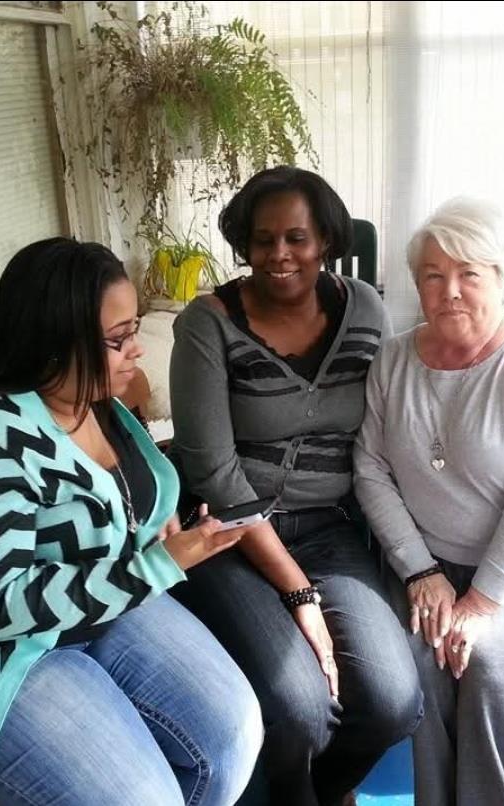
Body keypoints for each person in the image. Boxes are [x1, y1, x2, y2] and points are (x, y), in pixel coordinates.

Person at [0, 238, 262, 806]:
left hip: (100, 612)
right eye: (117, 339)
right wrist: (157, 566)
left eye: (133, 328)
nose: (135, 350)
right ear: (52, 340)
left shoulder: (91, 399)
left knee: (234, 734)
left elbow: (114, 495)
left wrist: (160, 519)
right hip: (1, 661)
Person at [167, 166, 423, 806]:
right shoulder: (208, 324)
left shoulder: (364, 307)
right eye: (262, 240)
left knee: (394, 702)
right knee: (300, 709)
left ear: (326, 241)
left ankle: (320, 792)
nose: (278, 255)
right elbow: (214, 474)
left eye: (297, 238)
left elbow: (394, 421)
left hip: (329, 530)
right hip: (226, 540)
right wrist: (299, 593)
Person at [353, 197, 504, 806]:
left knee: (486, 664)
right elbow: (370, 468)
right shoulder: (394, 358)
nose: (450, 292)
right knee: (423, 656)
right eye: (434, 276)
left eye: (470, 274)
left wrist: (483, 602)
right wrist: (420, 571)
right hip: (433, 563)